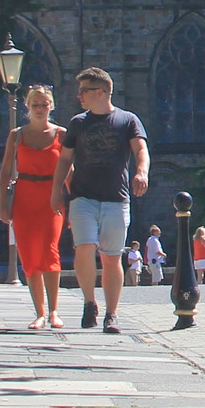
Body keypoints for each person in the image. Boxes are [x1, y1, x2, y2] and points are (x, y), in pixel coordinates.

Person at [56, 67, 149, 333]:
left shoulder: (127, 120)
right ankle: (89, 303)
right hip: (82, 196)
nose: (79, 96)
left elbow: (141, 149)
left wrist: (141, 172)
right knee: (84, 247)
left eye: (84, 91)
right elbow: (64, 159)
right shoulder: (78, 123)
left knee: (111, 258)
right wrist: (56, 191)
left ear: (100, 92)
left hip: (115, 198)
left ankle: (111, 313)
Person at [0, 85, 67, 329]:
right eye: (35, 105)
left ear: (51, 106)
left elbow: (69, 171)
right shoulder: (17, 135)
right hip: (24, 197)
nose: (39, 109)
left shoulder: (61, 135)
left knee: (50, 251)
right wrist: (4, 205)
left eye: (44, 104)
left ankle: (54, 311)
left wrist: (75, 203)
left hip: (52, 197)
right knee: (30, 255)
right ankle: (40, 313)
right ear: (27, 107)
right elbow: (5, 172)